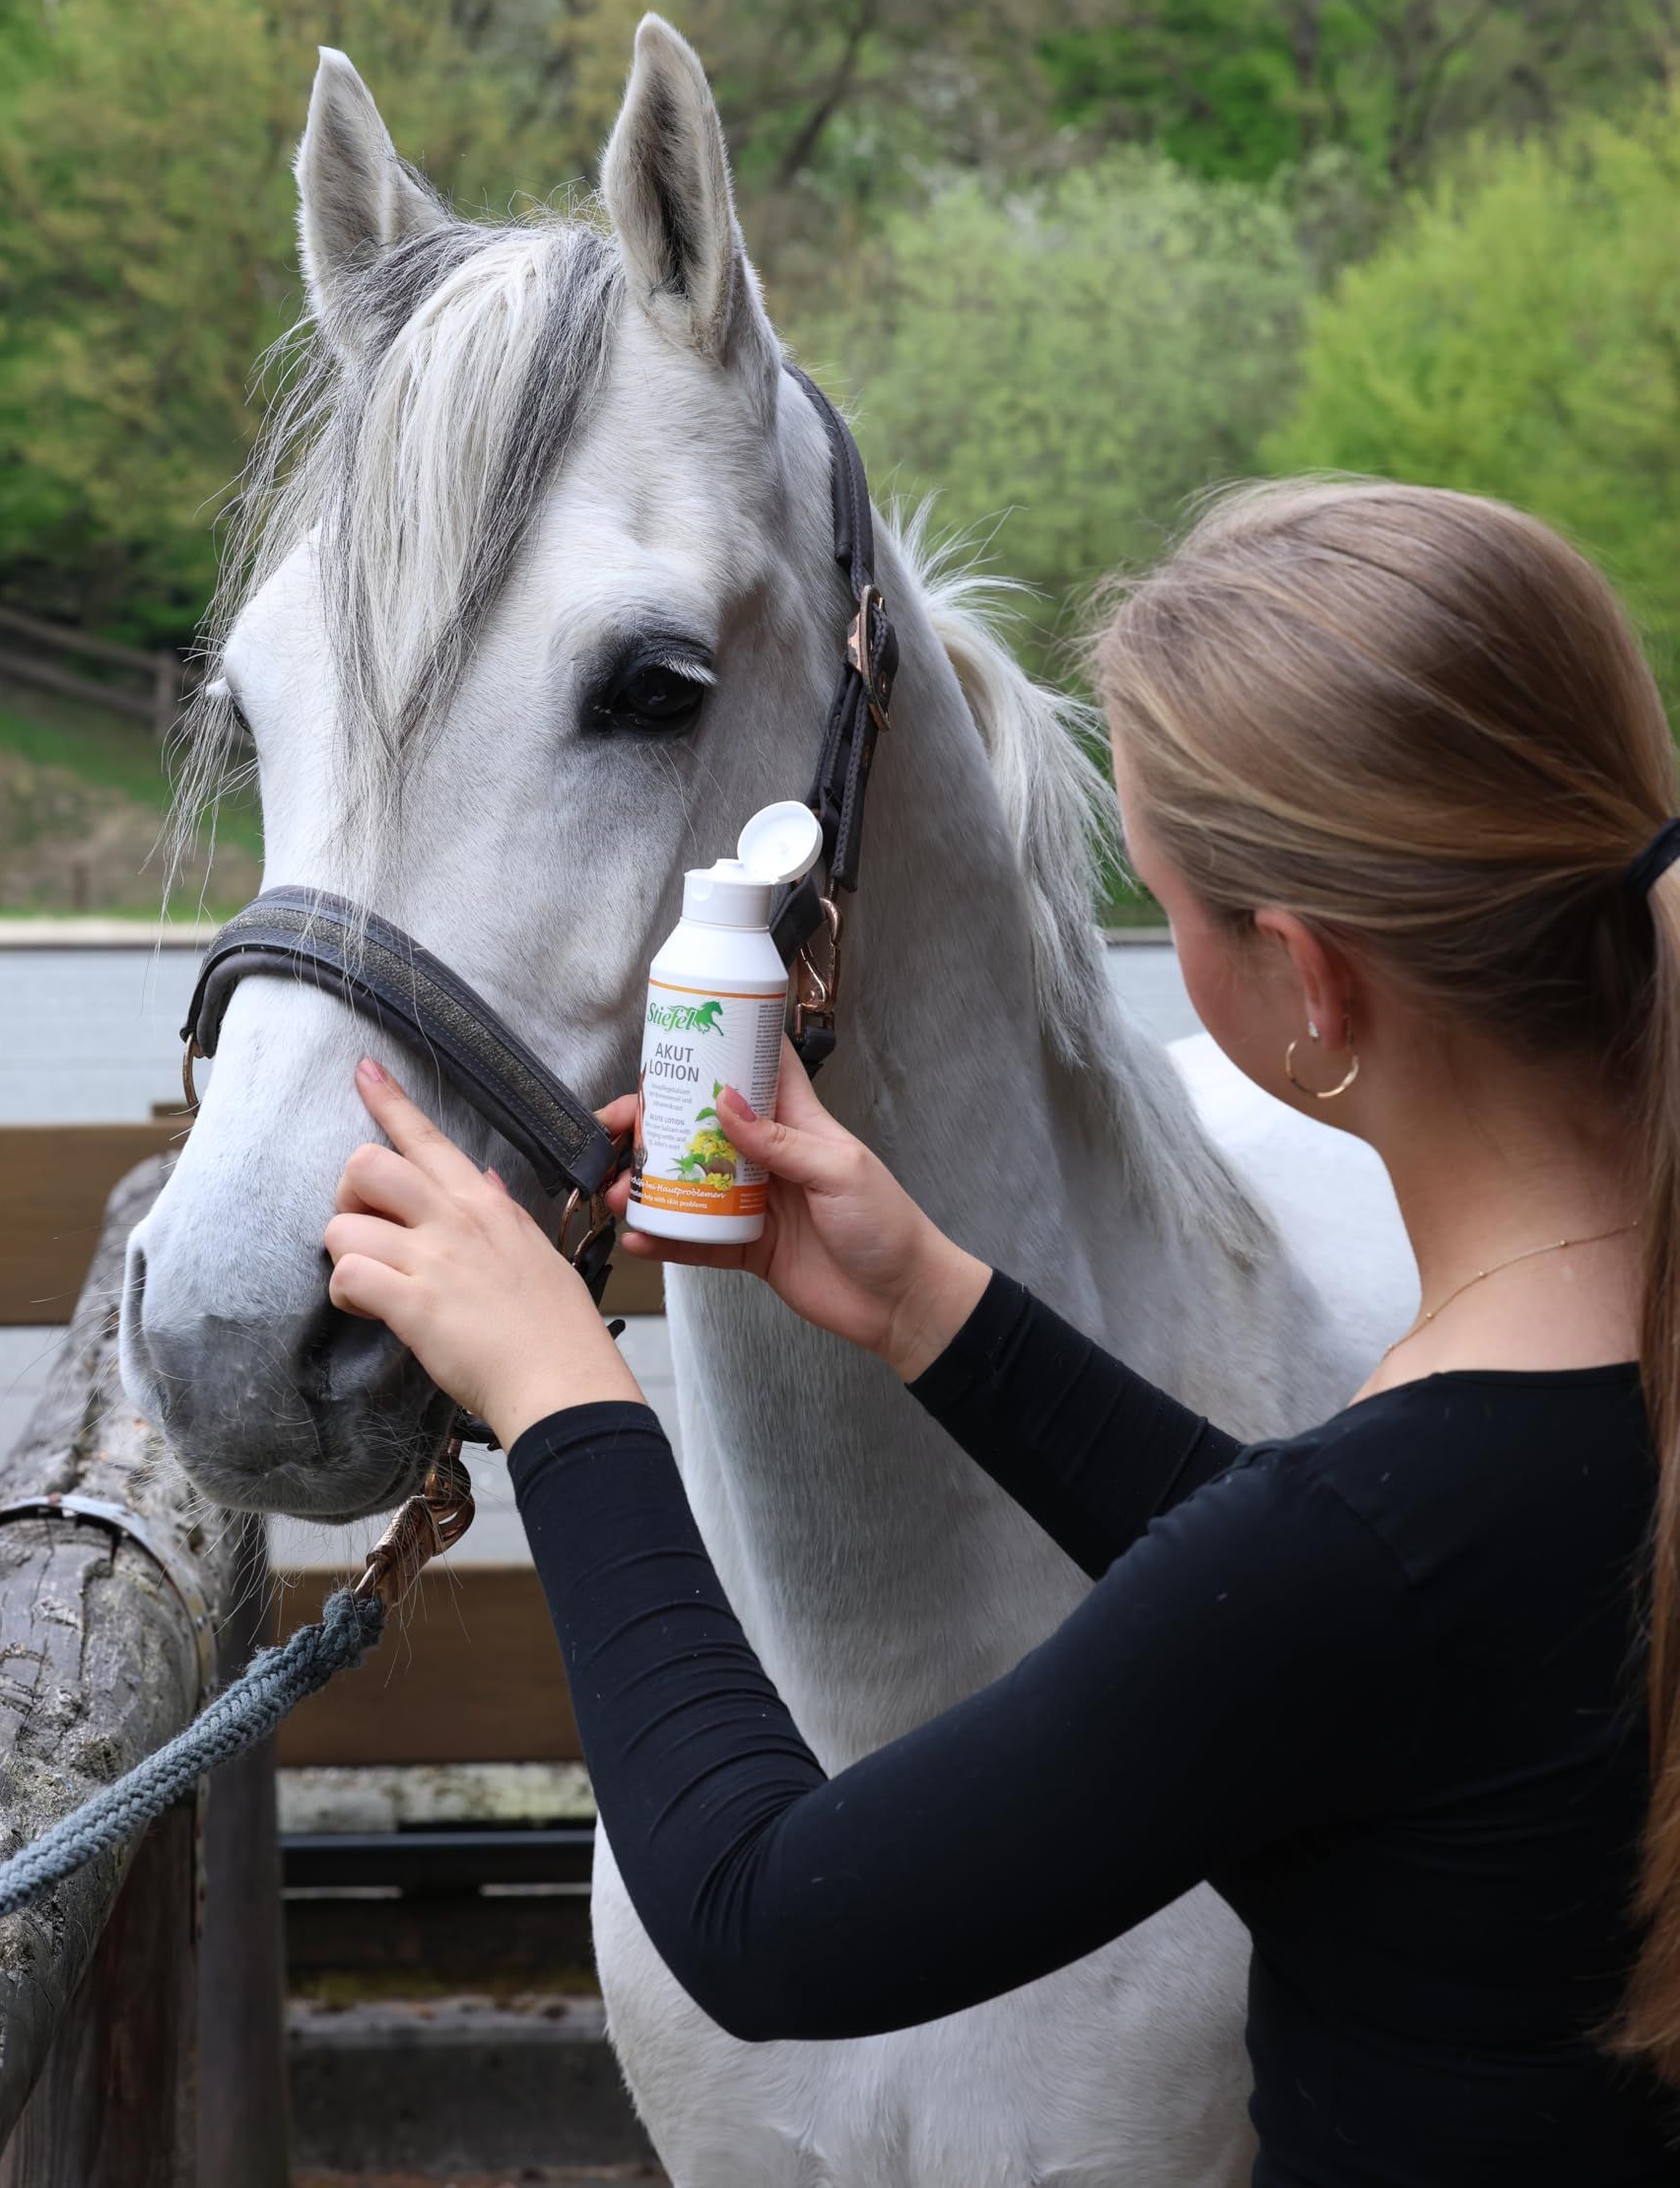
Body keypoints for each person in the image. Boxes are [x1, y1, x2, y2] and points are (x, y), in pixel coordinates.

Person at [322, 478, 1680, 2184]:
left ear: (1311, 983)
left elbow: (759, 1923)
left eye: (1167, 908)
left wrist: (563, 1398)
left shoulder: (1365, 1553)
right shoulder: (1560, 1438)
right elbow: (1358, 1614)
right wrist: (939, 1313)